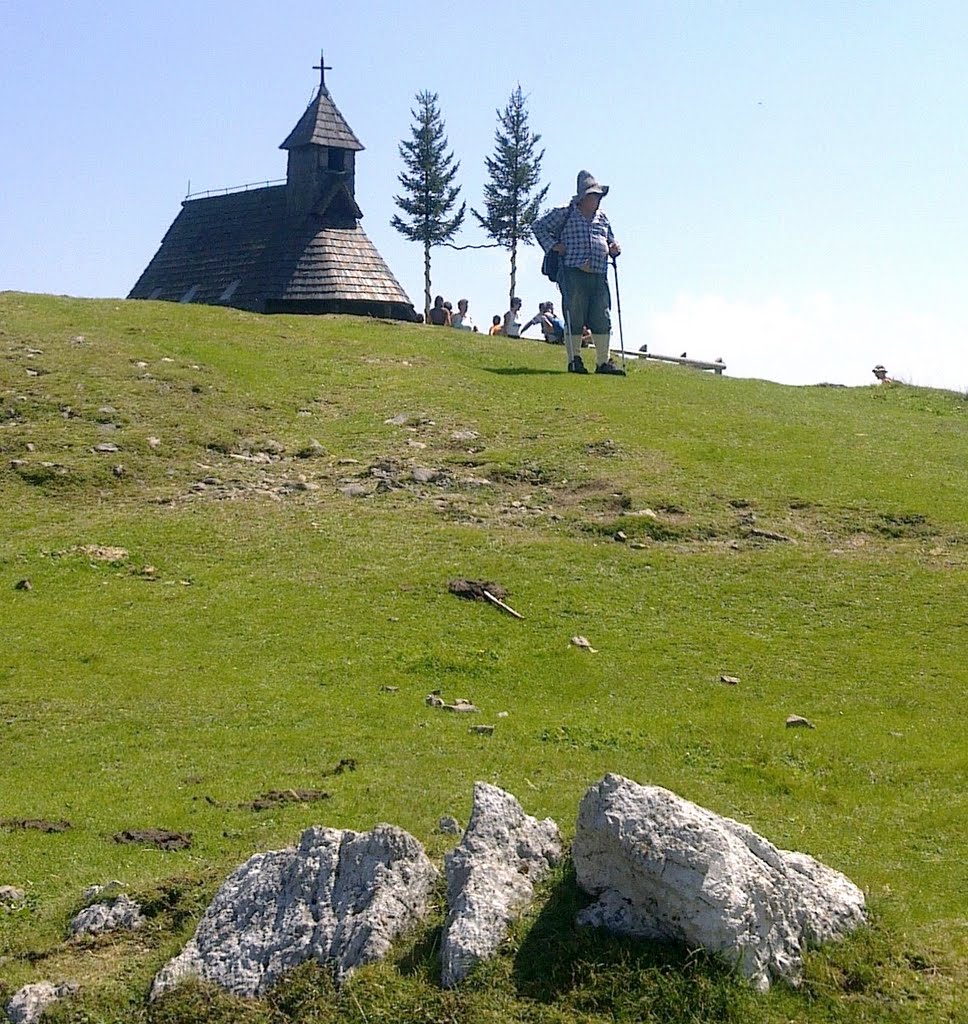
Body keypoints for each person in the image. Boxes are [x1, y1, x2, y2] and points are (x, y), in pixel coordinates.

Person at [533, 169, 624, 375]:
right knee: (574, 314)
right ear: (584, 196)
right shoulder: (565, 212)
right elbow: (538, 227)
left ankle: (603, 362)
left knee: (602, 315)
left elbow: (610, 239)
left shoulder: (603, 218)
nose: (598, 199)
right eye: (594, 195)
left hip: (599, 274)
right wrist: (554, 245)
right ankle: (574, 360)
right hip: (574, 272)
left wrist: (613, 247)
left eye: (599, 195)